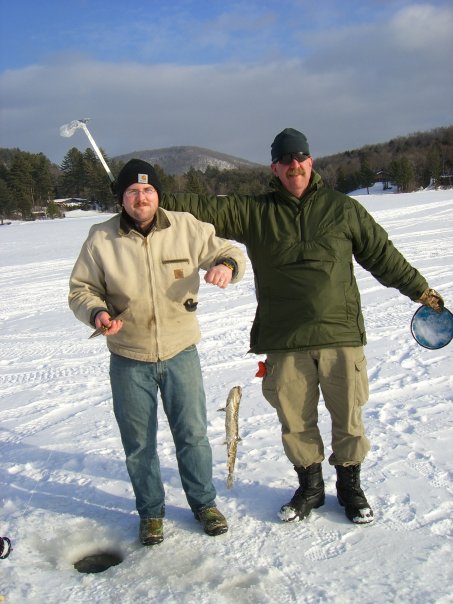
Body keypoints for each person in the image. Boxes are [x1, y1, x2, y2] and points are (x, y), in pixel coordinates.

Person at [159, 128, 444, 525]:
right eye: (286, 161)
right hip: (284, 338)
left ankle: (350, 487)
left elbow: (382, 256)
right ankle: (310, 486)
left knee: (348, 417)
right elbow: (202, 208)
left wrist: (422, 292)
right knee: (295, 421)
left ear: (311, 162)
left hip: (340, 334)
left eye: (301, 159)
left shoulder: (343, 209)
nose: (295, 166)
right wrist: (149, 193)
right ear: (275, 168)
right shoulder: (256, 212)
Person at [69, 159, 245, 545]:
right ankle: (150, 512)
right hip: (129, 357)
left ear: (158, 195)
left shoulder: (185, 226)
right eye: (132, 191)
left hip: (181, 352)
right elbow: (81, 290)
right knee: (138, 444)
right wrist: (97, 313)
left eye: (148, 190)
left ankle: (203, 504)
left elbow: (229, 250)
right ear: (122, 199)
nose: (141, 197)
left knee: (193, 436)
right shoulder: (101, 238)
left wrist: (227, 266)